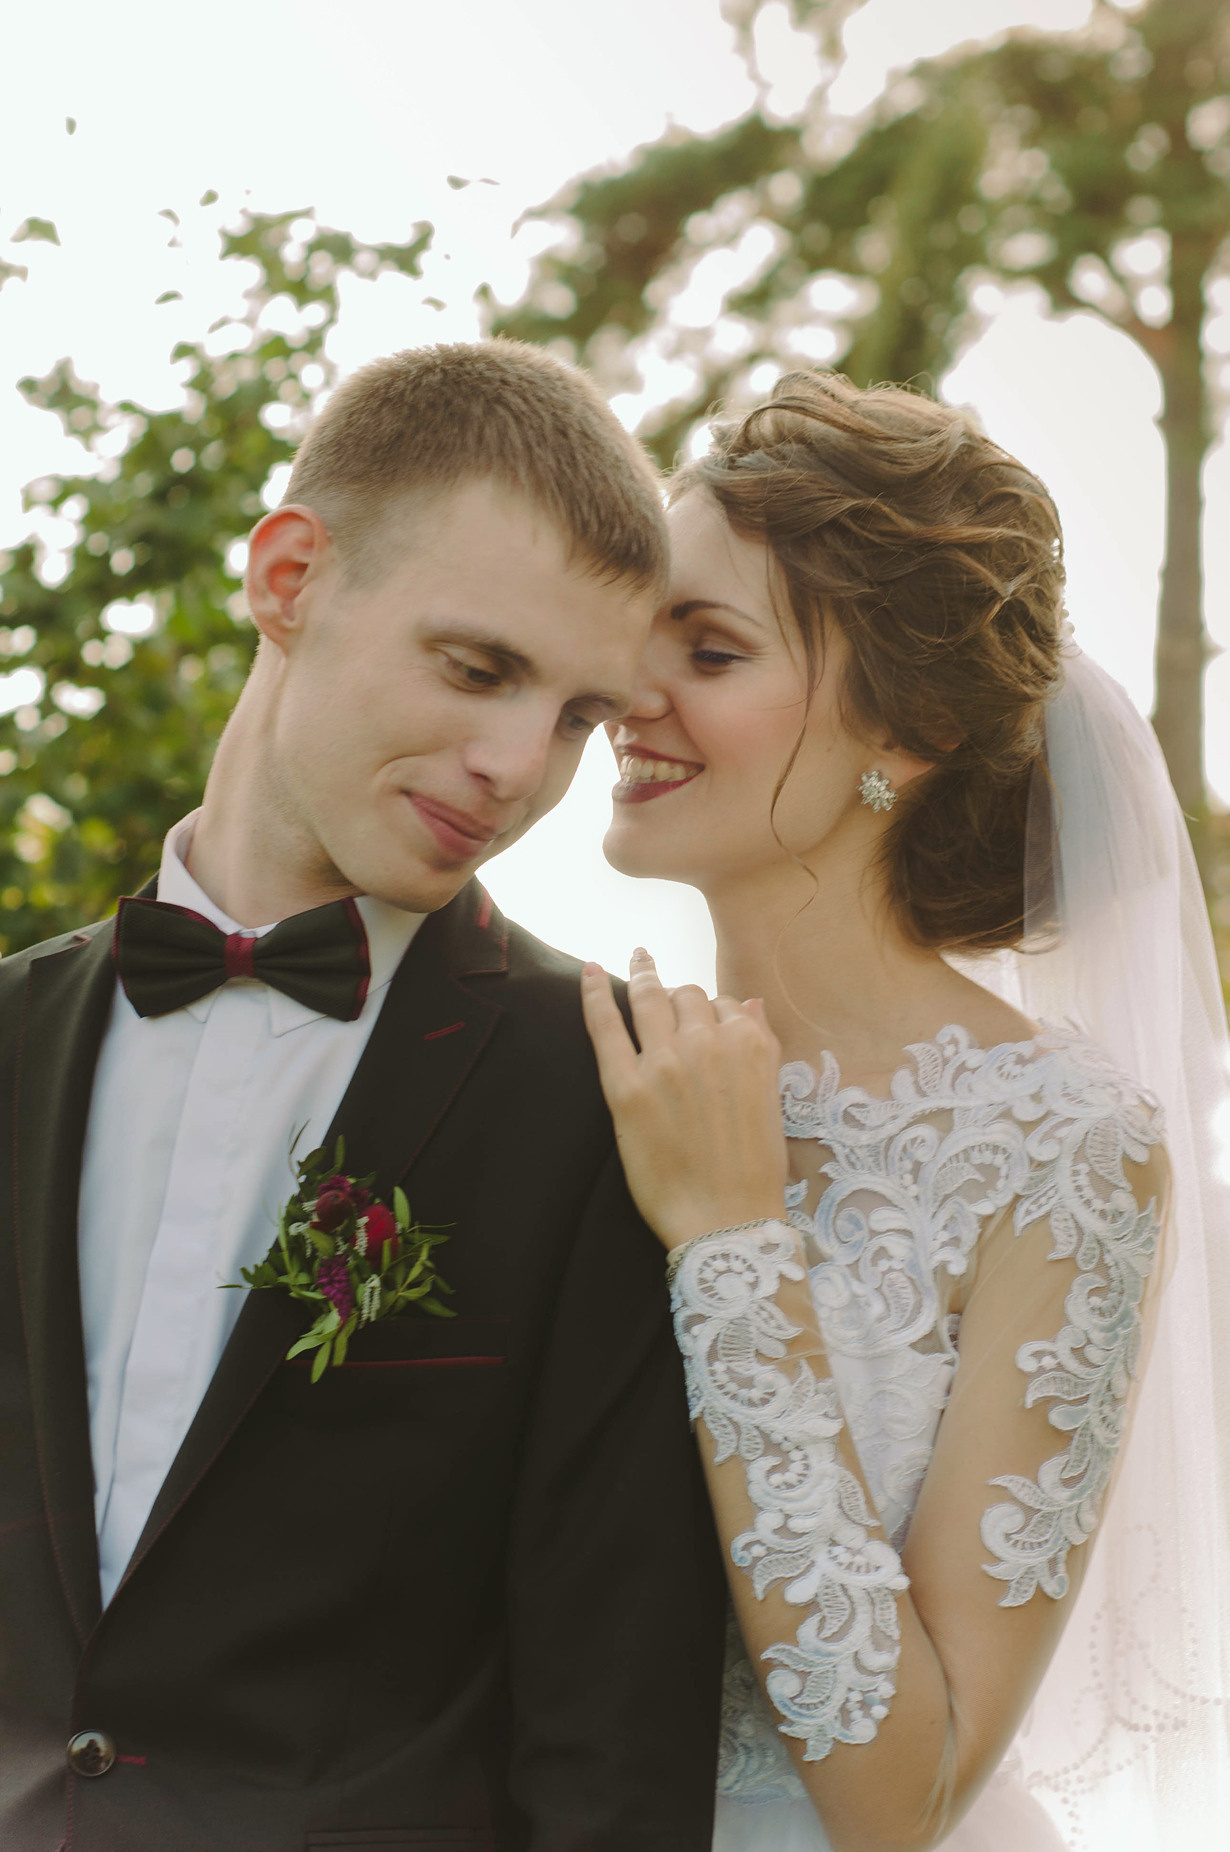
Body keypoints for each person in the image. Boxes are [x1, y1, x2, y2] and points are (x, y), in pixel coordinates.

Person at [0, 340, 728, 1851]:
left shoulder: (602, 1097)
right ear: (288, 580)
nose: (517, 767)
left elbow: (612, 1729)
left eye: (581, 715)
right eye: (478, 669)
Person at [581, 371, 1230, 1851]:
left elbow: (901, 1791)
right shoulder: (586, 1058)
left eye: (712, 648)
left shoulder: (1062, 1149)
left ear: (909, 731)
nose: (630, 691)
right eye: (638, 633)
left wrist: (732, 1238)